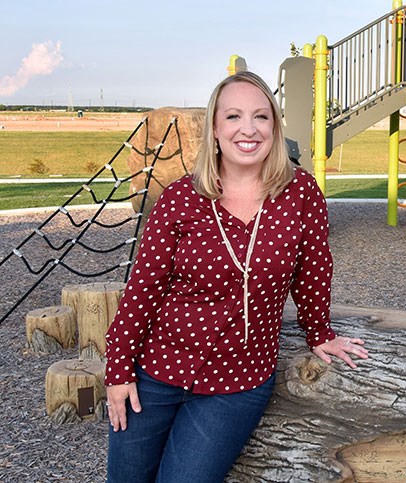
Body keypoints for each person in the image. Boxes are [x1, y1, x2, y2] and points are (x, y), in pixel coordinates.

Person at [104, 71, 369, 483]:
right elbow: (142, 290)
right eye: (233, 117)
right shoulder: (180, 198)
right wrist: (119, 370)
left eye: (261, 117)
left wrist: (320, 333)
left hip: (236, 383)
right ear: (214, 128)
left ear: (275, 128)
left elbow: (314, 269)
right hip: (155, 372)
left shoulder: (301, 194)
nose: (248, 129)